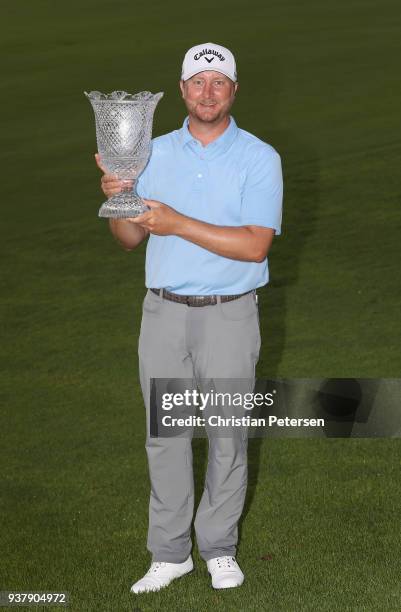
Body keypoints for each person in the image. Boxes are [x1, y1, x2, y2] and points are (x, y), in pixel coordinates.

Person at [95, 42, 283, 593]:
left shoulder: (259, 157)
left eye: (217, 81)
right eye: (197, 81)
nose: (207, 92)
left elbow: (255, 247)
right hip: (163, 313)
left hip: (229, 315)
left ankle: (219, 548)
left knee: (227, 437)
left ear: (233, 90)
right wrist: (120, 197)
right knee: (166, 435)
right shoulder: (149, 153)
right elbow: (129, 240)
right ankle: (170, 553)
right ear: (181, 90)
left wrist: (176, 222)